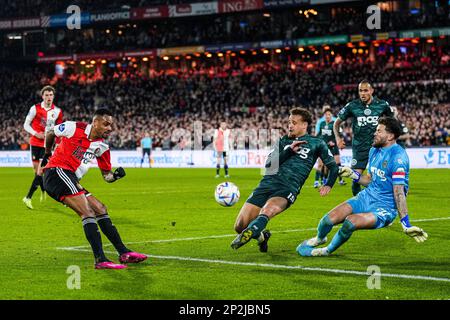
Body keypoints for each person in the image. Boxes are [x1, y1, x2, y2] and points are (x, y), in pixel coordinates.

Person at [298, 117, 428, 257]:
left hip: (384, 207)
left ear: (390, 136)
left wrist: (406, 223)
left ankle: (326, 251)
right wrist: (353, 174)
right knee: (327, 220)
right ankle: (319, 238)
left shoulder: (398, 158)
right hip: (366, 197)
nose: (374, 133)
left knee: (350, 223)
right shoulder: (374, 150)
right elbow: (371, 180)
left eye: (379, 131)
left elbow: (398, 192)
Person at [41, 108, 147, 269]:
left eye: (111, 125)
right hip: (56, 172)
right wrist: (47, 153)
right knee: (87, 212)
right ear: (95, 122)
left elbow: (107, 176)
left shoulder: (102, 147)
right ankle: (100, 259)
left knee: (99, 208)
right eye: (106, 124)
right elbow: (50, 132)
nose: (109, 128)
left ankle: (124, 253)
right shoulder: (74, 127)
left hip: (71, 178)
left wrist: (116, 176)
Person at [231, 108, 339, 252]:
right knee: (239, 226)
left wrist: (329, 184)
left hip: (288, 187)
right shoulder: (283, 141)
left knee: (267, 210)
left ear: (304, 125)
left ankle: (254, 230)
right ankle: (261, 236)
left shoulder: (316, 143)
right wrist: (288, 151)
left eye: (294, 123)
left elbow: (333, 167)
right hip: (267, 184)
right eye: (289, 122)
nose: (290, 125)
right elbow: (268, 165)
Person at [333, 80, 394, 196]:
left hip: (377, 148)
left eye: (365, 90)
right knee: (355, 179)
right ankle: (359, 203)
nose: (362, 93)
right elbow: (336, 123)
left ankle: (380, 199)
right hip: (359, 148)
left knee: (380, 179)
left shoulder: (382, 105)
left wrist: (389, 137)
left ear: (372, 91)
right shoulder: (352, 106)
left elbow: (392, 122)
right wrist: (338, 139)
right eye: (360, 91)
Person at [22, 85, 63, 209]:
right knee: (37, 172)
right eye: (46, 95)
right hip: (35, 143)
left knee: (40, 171)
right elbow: (26, 125)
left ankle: (28, 197)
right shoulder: (35, 108)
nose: (48, 97)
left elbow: (59, 129)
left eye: (51, 95)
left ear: (53, 96)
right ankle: (43, 191)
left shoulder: (57, 111)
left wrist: (58, 143)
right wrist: (35, 133)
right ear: (42, 96)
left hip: (47, 145)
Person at [316, 108, 346, 187]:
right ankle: (324, 179)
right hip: (325, 146)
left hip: (334, 146)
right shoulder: (322, 124)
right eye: (326, 115)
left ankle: (341, 180)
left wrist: (338, 141)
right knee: (326, 165)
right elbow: (319, 135)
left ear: (331, 115)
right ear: (324, 116)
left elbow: (340, 133)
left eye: (329, 114)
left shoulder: (334, 124)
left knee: (338, 163)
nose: (327, 116)